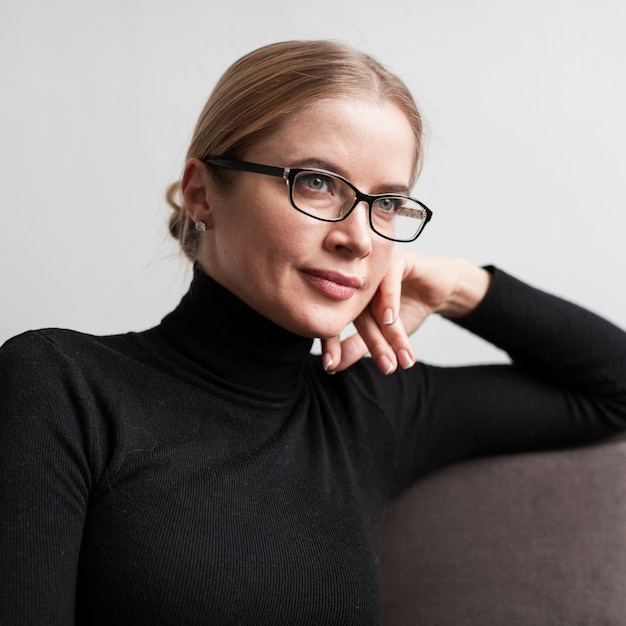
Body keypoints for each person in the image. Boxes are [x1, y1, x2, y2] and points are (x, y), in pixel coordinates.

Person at [1, 39, 625, 626]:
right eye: (318, 182)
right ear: (201, 194)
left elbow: (613, 389)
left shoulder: (370, 405)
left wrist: (461, 286)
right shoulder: (60, 384)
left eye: (387, 203)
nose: (357, 237)